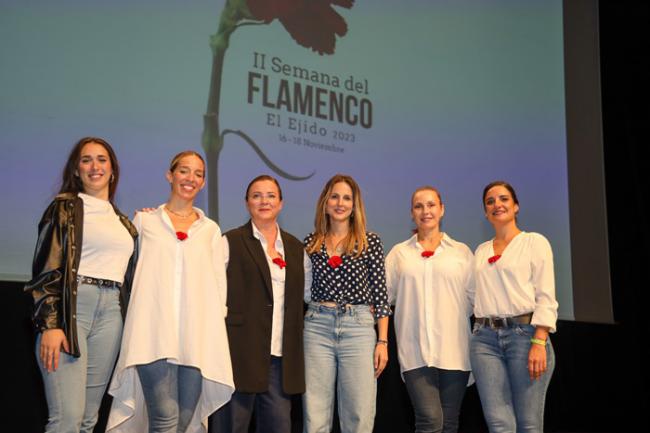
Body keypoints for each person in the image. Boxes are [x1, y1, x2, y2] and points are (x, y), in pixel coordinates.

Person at [107, 150, 234, 433]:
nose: (190, 178)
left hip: (196, 338)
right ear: (170, 175)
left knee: (185, 422)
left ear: (202, 183)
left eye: (198, 174)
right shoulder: (144, 222)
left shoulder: (211, 231)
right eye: (184, 171)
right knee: (164, 418)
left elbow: (217, 285)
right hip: (152, 334)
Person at [25, 136, 138, 433]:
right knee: (67, 419)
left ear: (112, 169)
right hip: (73, 311)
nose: (94, 166)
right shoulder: (63, 208)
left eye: (102, 159)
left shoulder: (125, 222)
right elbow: (46, 269)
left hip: (112, 313)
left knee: (88, 420)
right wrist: (50, 324)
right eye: (86, 160)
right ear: (76, 170)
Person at [211, 174, 312, 433]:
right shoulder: (230, 241)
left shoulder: (295, 247)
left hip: (280, 359)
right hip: (238, 355)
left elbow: (308, 295)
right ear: (247, 203)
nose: (264, 201)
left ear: (281, 203)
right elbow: (213, 293)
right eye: (256, 196)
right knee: (231, 427)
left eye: (270, 196)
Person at [302, 174, 390, 433]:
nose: (340, 203)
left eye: (347, 198)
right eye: (335, 196)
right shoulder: (311, 242)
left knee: (359, 414)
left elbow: (381, 296)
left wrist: (382, 341)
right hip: (317, 327)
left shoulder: (369, 242)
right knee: (314, 413)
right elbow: (305, 290)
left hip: (358, 329)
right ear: (325, 203)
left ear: (355, 205)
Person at [470, 180, 558, 433]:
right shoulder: (481, 251)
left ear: (516, 206)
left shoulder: (534, 242)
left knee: (529, 424)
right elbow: (471, 296)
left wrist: (539, 341)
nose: (497, 204)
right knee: (499, 423)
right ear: (486, 213)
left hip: (526, 337)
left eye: (503, 199)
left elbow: (546, 295)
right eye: (490, 201)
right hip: (484, 340)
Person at [385, 186, 474, 433]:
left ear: (442, 209)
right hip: (414, 351)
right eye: (419, 206)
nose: (426, 211)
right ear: (412, 213)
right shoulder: (399, 254)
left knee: (449, 423)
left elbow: (473, 302)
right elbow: (384, 300)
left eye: (431, 205)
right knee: (430, 420)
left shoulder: (462, 253)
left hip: (455, 351)